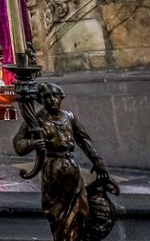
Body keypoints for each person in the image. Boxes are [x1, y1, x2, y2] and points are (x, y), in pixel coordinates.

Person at [13, 82, 118, 241]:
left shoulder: (69, 117)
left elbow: (83, 140)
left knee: (80, 211)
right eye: (47, 97)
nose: (52, 100)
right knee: (58, 213)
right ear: (41, 100)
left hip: (72, 169)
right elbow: (18, 144)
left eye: (55, 96)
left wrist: (98, 162)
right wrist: (31, 143)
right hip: (54, 170)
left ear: (61, 97)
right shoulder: (36, 121)